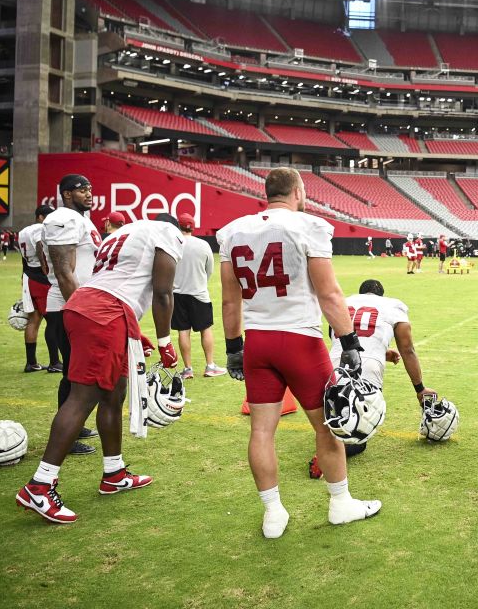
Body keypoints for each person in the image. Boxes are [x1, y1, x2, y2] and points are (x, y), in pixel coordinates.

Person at [217, 167, 381, 539]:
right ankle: (340, 503)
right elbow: (329, 294)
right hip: (300, 341)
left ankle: (273, 512)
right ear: (298, 191)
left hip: (258, 342)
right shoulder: (309, 226)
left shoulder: (234, 230)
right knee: (327, 426)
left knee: (261, 431)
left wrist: (232, 348)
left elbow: (230, 301)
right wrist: (350, 341)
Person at [16, 215, 184, 524]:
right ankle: (40, 484)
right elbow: (162, 292)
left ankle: (113, 472)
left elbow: (111, 282)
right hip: (104, 313)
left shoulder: (122, 234)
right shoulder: (166, 232)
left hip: (93, 307)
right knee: (83, 397)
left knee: (113, 393)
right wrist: (165, 342)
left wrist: (130, 326)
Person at [308, 278, 434, 477]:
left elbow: (340, 340)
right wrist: (420, 389)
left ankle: (331, 440)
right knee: (359, 438)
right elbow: (407, 349)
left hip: (332, 368)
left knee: (334, 420)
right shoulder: (393, 305)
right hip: (367, 372)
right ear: (380, 295)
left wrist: (383, 352)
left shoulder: (345, 301)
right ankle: (326, 457)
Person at [43, 174, 104, 455]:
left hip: (77, 304)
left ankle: (75, 426)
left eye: (90, 188)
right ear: (67, 194)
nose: (89, 193)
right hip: (69, 307)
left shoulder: (79, 219)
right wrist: (81, 308)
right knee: (73, 374)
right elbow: (64, 271)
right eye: (82, 190)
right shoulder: (62, 218)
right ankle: (65, 437)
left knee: (75, 373)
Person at [172, 212, 226, 380]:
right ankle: (210, 365)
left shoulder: (172, 243)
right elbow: (209, 270)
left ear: (178, 226)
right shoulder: (203, 245)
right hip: (199, 293)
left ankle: (187, 369)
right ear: (193, 227)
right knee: (206, 329)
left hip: (178, 294)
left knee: (183, 331)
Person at [18, 205, 57, 373]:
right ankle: (55, 362)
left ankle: (31, 362)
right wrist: (45, 269)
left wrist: (23, 276)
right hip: (40, 278)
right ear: (40, 217)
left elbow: (23, 258)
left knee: (34, 320)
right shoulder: (40, 228)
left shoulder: (22, 231)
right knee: (53, 321)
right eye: (48, 217)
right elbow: (40, 246)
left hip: (29, 275)